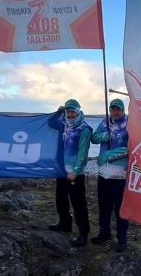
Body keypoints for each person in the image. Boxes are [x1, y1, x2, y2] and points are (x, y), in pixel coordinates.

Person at [48, 98, 92, 246]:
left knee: (78, 204)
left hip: (74, 173)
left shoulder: (84, 129)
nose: (70, 115)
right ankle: (64, 223)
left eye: (73, 112)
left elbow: (83, 152)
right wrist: (58, 112)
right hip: (61, 170)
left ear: (78, 112)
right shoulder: (64, 125)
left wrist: (76, 171)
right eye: (68, 112)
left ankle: (83, 233)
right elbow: (50, 123)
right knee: (60, 198)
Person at [90, 98, 130, 251]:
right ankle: (104, 232)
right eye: (112, 109)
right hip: (103, 174)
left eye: (117, 109)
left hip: (120, 175)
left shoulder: (129, 125)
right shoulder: (104, 123)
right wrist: (103, 136)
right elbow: (94, 138)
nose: (115, 112)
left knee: (120, 209)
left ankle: (122, 238)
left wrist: (110, 154)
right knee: (104, 206)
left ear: (122, 110)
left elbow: (132, 148)